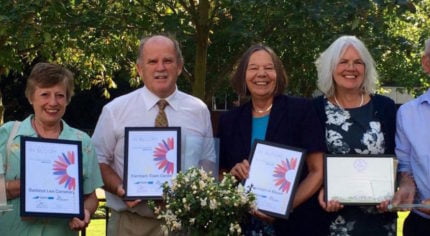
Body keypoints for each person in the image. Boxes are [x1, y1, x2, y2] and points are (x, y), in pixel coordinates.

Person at [91, 35, 214, 236]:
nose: (160, 68)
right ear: (140, 69)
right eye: (152, 61)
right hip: (130, 224)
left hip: (183, 225)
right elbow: (97, 161)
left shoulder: (199, 110)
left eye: (167, 60)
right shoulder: (115, 110)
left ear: (180, 66)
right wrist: (121, 189)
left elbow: (207, 163)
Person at [217, 44, 326, 235]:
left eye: (269, 68)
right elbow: (221, 173)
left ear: (278, 74)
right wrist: (232, 175)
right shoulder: (229, 120)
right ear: (243, 75)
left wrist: (286, 206)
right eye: (253, 68)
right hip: (242, 225)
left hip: (296, 223)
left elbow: (317, 171)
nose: (261, 74)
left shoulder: (301, 110)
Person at [0, 62, 103, 235]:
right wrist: (30, 185)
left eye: (60, 95)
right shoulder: (7, 135)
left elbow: (91, 197)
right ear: (31, 97)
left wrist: (85, 212)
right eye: (45, 94)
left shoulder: (82, 142)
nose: (53, 102)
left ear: (68, 99)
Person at [313, 35, 397, 235]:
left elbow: (397, 157)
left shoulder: (385, 107)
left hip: (379, 220)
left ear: (366, 69)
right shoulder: (315, 109)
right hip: (331, 219)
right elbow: (311, 165)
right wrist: (321, 191)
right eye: (343, 62)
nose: (351, 68)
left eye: (358, 62)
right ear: (331, 68)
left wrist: (393, 190)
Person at [391, 38, 430, 236]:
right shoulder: (407, 113)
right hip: (421, 225)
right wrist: (406, 183)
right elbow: (405, 163)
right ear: (426, 63)